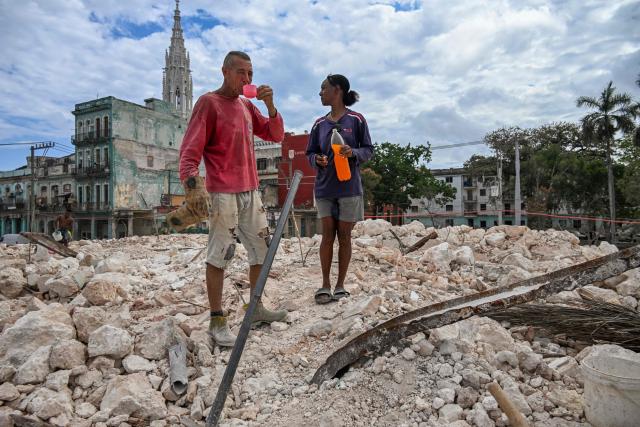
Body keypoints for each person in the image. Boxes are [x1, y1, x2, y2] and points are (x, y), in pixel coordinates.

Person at [178, 51, 287, 347]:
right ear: (225, 72)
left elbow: (276, 135)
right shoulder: (208, 103)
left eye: (250, 74)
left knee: (261, 250)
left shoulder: (246, 105)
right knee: (221, 254)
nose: (248, 79)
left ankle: (255, 310)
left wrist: (270, 104)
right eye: (242, 73)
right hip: (222, 192)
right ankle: (217, 319)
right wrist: (192, 184)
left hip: (251, 191)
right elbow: (190, 149)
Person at [306, 74, 374, 304]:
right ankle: (324, 284)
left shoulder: (357, 120)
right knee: (327, 236)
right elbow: (309, 153)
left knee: (344, 237)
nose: (320, 93)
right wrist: (317, 160)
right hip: (324, 189)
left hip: (349, 189)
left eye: (323, 88)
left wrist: (352, 152)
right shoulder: (319, 124)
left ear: (337, 90)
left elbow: (368, 150)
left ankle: (340, 285)